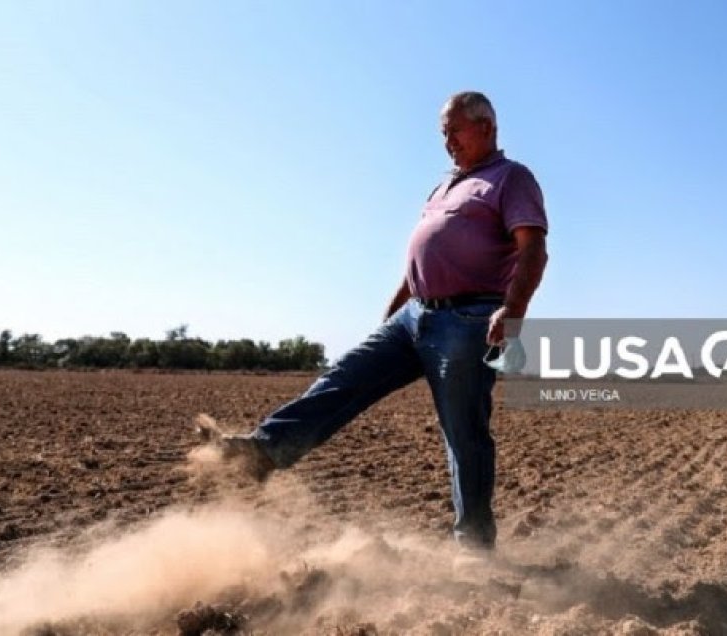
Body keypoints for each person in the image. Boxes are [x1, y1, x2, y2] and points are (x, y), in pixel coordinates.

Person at [209, 91, 548, 550]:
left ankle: (473, 545)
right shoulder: (443, 186)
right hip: (414, 316)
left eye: (454, 130)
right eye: (442, 133)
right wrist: (393, 318)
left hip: (468, 319)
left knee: (463, 432)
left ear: (486, 127)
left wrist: (514, 308)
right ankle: (265, 451)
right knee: (345, 377)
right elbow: (420, 262)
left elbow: (532, 249)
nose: (447, 141)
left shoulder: (511, 178)